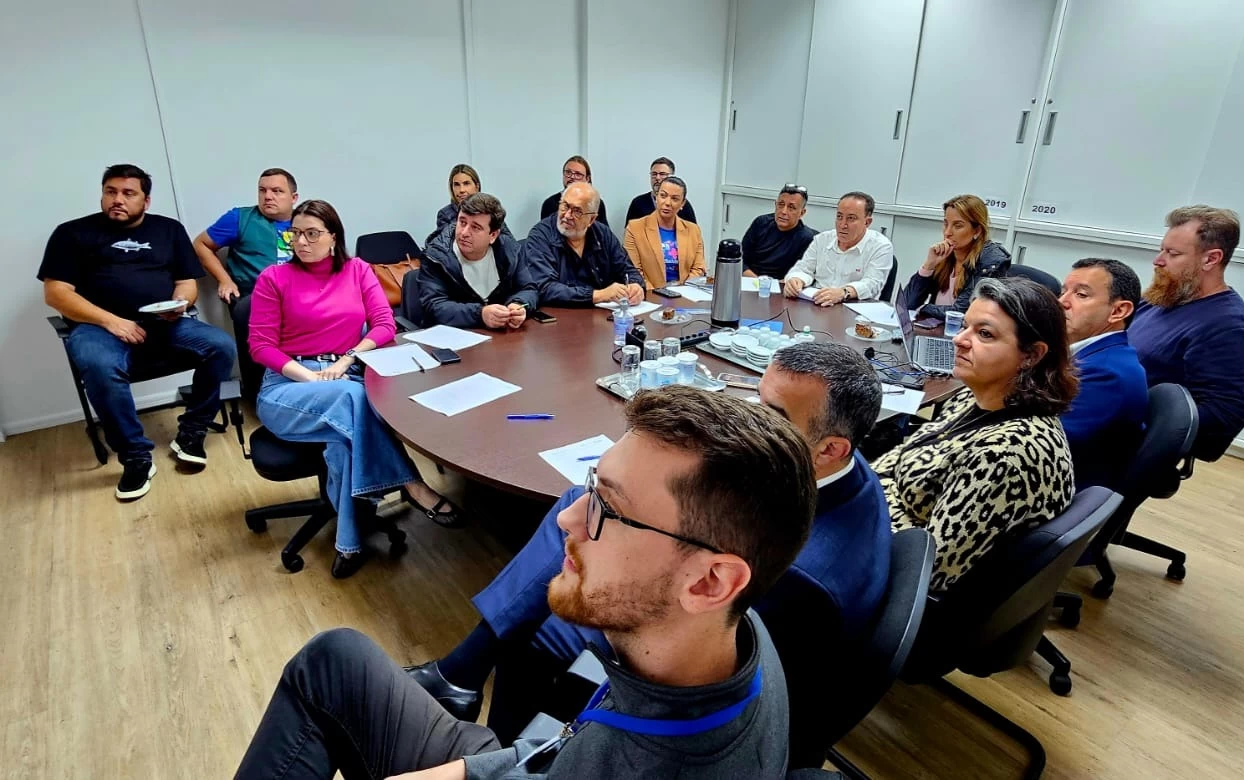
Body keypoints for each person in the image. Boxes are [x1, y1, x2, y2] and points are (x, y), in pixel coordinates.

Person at [234, 386, 817, 779]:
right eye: (591, 487)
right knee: (337, 656)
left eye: (604, 510)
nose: (568, 518)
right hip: (536, 757)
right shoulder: (731, 633)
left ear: (710, 581)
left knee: (326, 667)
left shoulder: (632, 761)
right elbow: (547, 756)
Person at [405, 343, 890, 766]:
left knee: (550, 607)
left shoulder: (807, 575)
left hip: (710, 696)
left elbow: (700, 651)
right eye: (757, 400)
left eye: (774, 415)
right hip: (717, 622)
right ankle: (463, 675)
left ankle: (509, 747)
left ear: (831, 448)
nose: (755, 417)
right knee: (582, 505)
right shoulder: (837, 467)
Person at [248, 199, 458, 579]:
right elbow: (261, 346)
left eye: (313, 233)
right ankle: (412, 483)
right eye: (295, 234)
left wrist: (347, 360)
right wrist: (311, 378)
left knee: (344, 444)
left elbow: (383, 325)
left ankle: (349, 545)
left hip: (345, 373)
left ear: (333, 237)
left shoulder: (358, 270)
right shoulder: (273, 279)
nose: (302, 242)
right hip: (288, 387)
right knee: (356, 397)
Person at [38, 163, 236, 501]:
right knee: (98, 366)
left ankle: (192, 431)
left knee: (221, 345)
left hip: (164, 325)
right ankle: (135, 456)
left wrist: (179, 305)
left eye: (128, 193)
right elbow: (56, 293)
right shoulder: (72, 234)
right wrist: (111, 321)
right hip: (98, 329)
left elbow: (186, 283)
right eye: (110, 192)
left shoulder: (168, 230)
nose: (118, 199)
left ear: (146, 200)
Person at [874, 276, 1076, 591]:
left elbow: (931, 568)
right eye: (965, 326)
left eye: (984, 334)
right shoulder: (977, 395)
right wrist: (877, 489)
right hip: (885, 533)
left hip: (903, 593)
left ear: (1032, 355)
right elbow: (902, 456)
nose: (959, 340)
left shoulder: (1006, 456)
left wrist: (869, 499)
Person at [1127, 206, 1244, 460]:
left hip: (1125, 436)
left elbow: (1222, 417)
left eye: (1172, 253)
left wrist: (1127, 410)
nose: (1158, 261)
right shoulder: (1164, 296)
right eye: (1162, 249)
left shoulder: (1229, 329)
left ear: (1211, 259)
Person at [192, 167, 299, 402]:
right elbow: (200, 245)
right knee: (248, 308)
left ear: (294, 198)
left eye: (277, 191)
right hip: (257, 294)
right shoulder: (240, 218)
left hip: (301, 291)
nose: (268, 196)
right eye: (263, 190)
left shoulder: (305, 221)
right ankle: (260, 395)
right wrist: (225, 279)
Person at [1058, 258, 1149, 490]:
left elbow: (1046, 444)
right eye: (1064, 291)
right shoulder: (1094, 355)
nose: (1061, 302)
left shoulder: (1108, 375)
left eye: (1081, 295)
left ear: (1118, 311)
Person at [418, 193, 538, 329]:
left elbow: (528, 289)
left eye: (475, 227)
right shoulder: (435, 256)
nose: (464, 233)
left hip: (501, 338)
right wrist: (480, 314)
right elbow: (434, 307)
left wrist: (518, 305)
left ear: (493, 235)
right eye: (462, 222)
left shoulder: (510, 251)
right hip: (453, 338)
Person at [525, 182, 645, 307]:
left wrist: (635, 286)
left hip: (602, 317)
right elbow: (545, 288)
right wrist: (598, 295)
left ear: (591, 219)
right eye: (565, 206)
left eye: (577, 211)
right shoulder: (540, 235)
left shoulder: (603, 234)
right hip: (560, 316)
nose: (567, 215)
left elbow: (627, 269)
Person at [901, 194, 1010, 320]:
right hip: (936, 331)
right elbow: (906, 305)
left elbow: (961, 312)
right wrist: (928, 266)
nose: (947, 233)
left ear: (977, 231)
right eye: (946, 224)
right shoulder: (945, 255)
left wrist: (923, 308)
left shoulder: (991, 261)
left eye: (958, 226)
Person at [783, 191, 894, 305]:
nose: (842, 225)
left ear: (867, 222)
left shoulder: (881, 246)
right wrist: (796, 279)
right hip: (818, 304)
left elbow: (872, 284)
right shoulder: (822, 240)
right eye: (839, 217)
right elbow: (803, 269)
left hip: (854, 309)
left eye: (851, 218)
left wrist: (843, 292)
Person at [622, 176, 706, 289]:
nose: (667, 203)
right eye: (663, 195)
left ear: (682, 203)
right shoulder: (635, 228)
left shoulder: (693, 230)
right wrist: (656, 293)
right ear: (656, 197)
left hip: (684, 294)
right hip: (649, 294)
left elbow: (698, 268)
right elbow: (634, 271)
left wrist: (683, 291)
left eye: (675, 199)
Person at [741, 184, 819, 280]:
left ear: (802, 213)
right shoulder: (761, 223)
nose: (784, 211)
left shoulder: (807, 238)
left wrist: (771, 287)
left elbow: (801, 274)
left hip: (780, 287)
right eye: (781, 205)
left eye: (791, 207)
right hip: (750, 280)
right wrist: (758, 283)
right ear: (775, 204)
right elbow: (740, 259)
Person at [623, 156, 697, 225]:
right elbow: (628, 233)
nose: (657, 178)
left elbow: (693, 235)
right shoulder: (638, 203)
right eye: (654, 174)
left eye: (662, 174)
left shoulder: (682, 204)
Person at [539, 155, 609, 226]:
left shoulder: (596, 204)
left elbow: (604, 235)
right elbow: (544, 234)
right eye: (568, 172)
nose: (572, 177)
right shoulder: (550, 203)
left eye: (578, 174)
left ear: (587, 179)